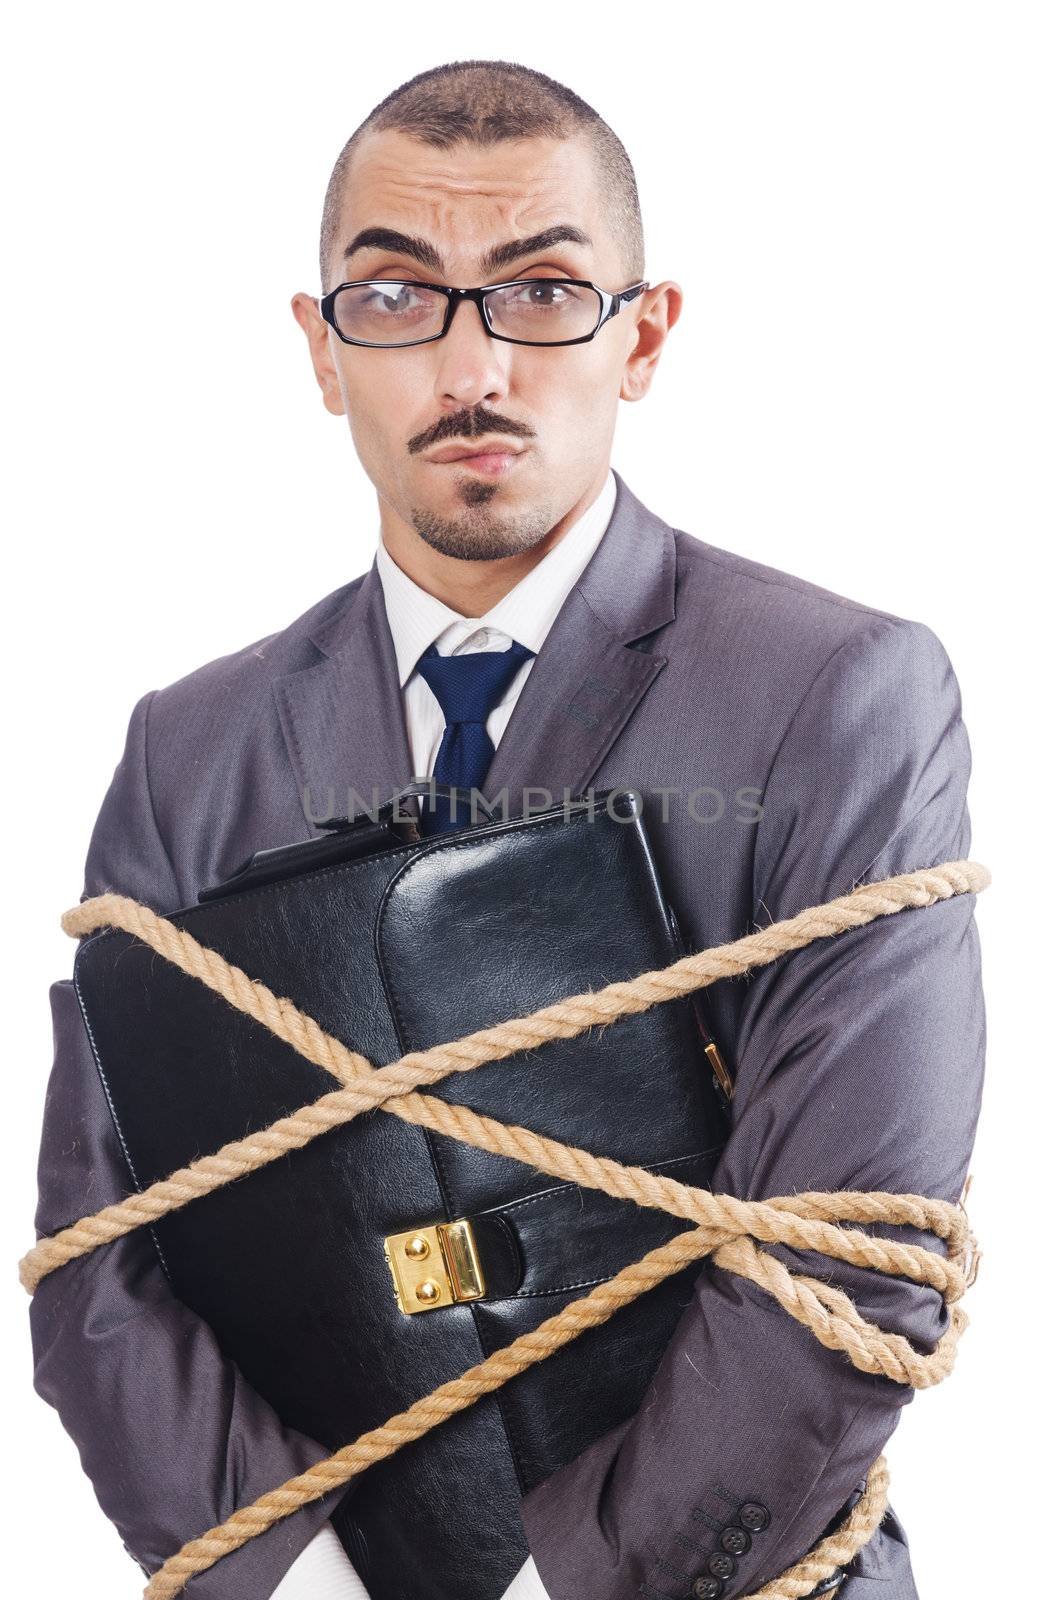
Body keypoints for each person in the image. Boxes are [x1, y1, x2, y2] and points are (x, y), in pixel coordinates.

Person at [27, 58, 985, 1600]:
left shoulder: (840, 695)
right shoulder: (186, 753)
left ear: (645, 335)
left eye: (542, 292)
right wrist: (305, 1581)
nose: (473, 366)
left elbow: (846, 1248)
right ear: (323, 349)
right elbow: (100, 1261)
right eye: (397, 299)